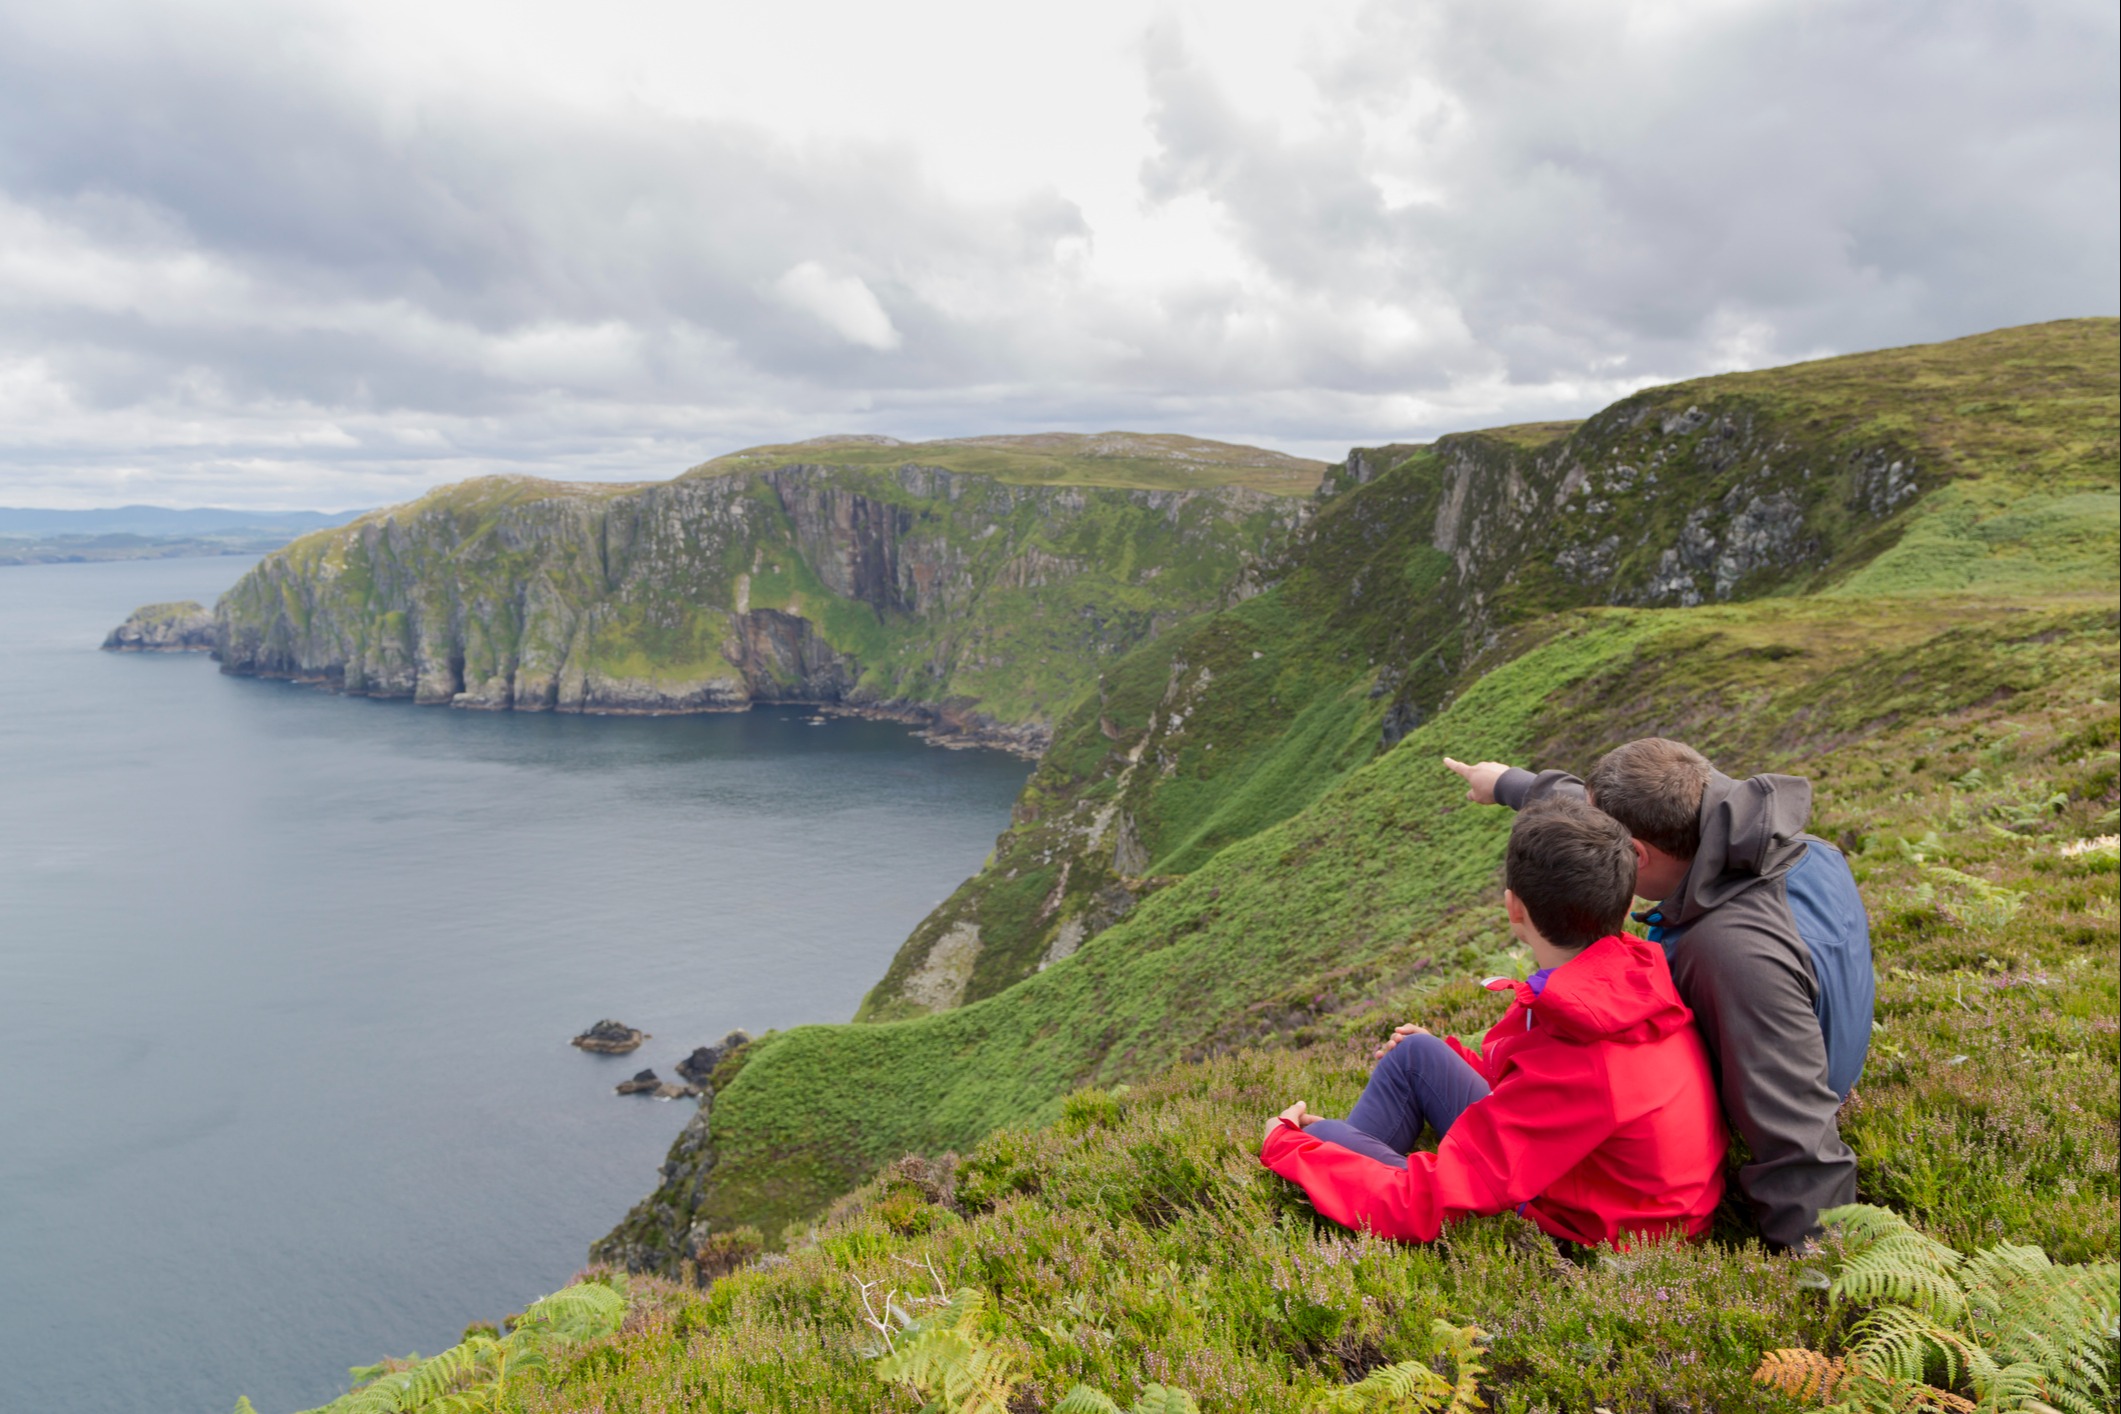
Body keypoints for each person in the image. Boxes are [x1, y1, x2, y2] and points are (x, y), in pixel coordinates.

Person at [1443, 739, 1873, 1250]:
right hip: (1806, 1055)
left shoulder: (1732, 955)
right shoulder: (1799, 848)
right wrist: (1512, 784)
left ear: (1636, 855)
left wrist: (1825, 1280)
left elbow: (1797, 1133)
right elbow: (1605, 822)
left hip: (1736, 1120)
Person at [1259, 797, 1726, 1247]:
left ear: (1513, 908)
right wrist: (1462, 1062)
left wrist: (1289, 1145)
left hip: (1589, 1234)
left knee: (1318, 1139)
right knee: (1417, 1056)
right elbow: (1554, 1093)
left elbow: (1425, 1202)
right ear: (1624, 905)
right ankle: (1353, 1174)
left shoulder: (1587, 1054)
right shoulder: (1628, 978)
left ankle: (1340, 1199)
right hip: (1610, 1189)